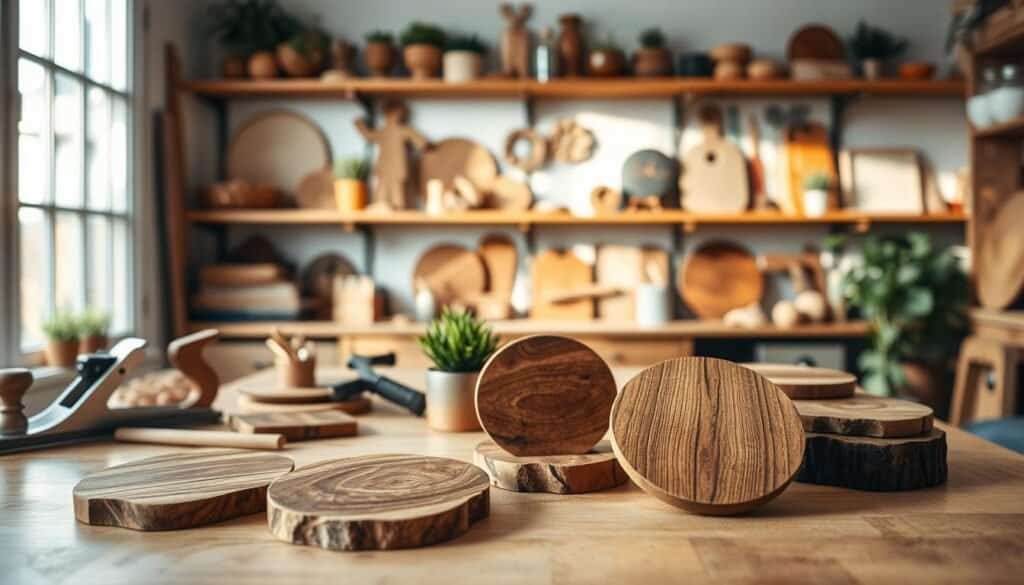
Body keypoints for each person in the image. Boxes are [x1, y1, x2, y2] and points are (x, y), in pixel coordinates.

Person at [354, 100, 429, 210]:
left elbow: (421, 141)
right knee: (381, 189)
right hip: (385, 166)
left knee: (397, 191)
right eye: (389, 114)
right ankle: (380, 205)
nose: (391, 116)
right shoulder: (385, 131)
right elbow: (369, 135)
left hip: (397, 167)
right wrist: (360, 126)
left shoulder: (403, 130)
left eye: (394, 113)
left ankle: (399, 208)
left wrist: (426, 147)